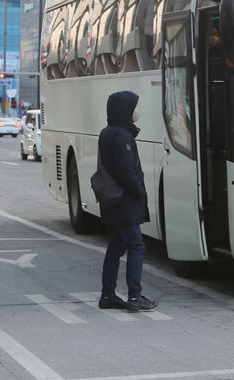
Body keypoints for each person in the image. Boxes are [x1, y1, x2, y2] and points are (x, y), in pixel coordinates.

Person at [97, 91, 158, 312]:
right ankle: (135, 296)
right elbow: (126, 172)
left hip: (112, 201)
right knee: (136, 246)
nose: (136, 112)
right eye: (133, 107)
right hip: (125, 202)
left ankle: (108, 295)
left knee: (114, 248)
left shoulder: (107, 132)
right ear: (125, 110)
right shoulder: (123, 137)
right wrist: (140, 193)